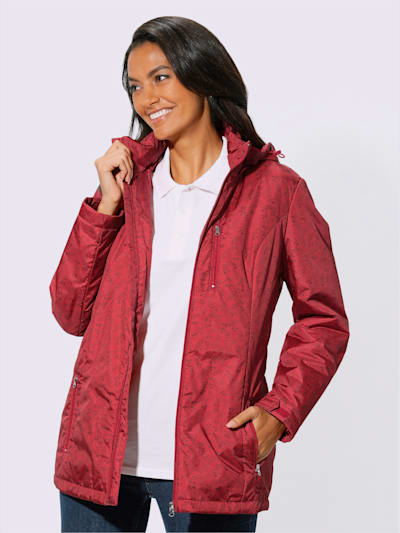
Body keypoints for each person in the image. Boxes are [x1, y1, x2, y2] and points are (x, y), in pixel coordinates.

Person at [50, 16, 350, 533]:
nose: (147, 98)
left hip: (212, 460)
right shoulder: (127, 186)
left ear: (204, 75)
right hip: (100, 456)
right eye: (135, 86)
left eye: (161, 77)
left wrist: (280, 411)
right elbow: (70, 312)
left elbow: (323, 319)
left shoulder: (277, 192)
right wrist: (105, 205)